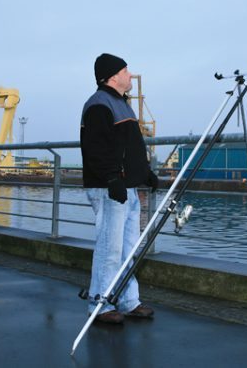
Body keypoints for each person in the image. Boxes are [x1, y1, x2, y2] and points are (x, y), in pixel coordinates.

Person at [80, 53, 159, 324]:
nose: (130, 75)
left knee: (128, 249)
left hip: (127, 188)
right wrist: (112, 179)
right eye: (126, 71)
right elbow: (96, 148)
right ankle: (99, 304)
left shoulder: (121, 105)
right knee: (109, 249)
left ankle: (128, 301)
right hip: (109, 189)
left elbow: (129, 148)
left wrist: (145, 173)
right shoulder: (99, 105)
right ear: (113, 76)